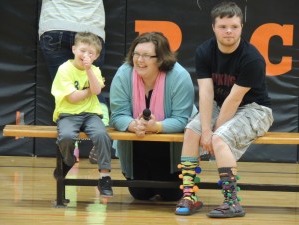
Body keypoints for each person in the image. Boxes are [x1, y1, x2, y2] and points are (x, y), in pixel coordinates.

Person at [174, 1, 274, 217]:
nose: (229, 31)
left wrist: (212, 133)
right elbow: (207, 94)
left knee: (219, 138)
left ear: (241, 28)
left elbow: (235, 99)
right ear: (213, 27)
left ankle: (232, 202)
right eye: (223, 26)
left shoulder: (252, 58)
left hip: (255, 109)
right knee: (192, 131)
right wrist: (204, 130)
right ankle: (189, 195)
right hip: (221, 104)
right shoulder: (204, 51)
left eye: (234, 27)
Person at [109, 32, 197, 201]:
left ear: (161, 59)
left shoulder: (179, 76)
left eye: (147, 56)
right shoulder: (123, 74)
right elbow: (118, 115)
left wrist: (157, 127)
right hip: (137, 141)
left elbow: (181, 119)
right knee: (140, 194)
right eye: (136, 54)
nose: (139, 60)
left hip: (171, 146)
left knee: (171, 195)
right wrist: (132, 125)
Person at [38, 0, 112, 161]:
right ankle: (101, 130)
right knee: (85, 86)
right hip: (91, 22)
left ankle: (72, 148)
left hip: (55, 21)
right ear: (74, 49)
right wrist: (90, 90)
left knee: (67, 88)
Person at [51, 32, 113, 198]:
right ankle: (68, 161)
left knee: (102, 135)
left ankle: (105, 177)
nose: (86, 55)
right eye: (83, 50)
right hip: (68, 114)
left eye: (91, 53)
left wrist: (88, 71)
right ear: (74, 49)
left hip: (91, 114)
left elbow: (97, 90)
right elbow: (72, 98)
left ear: (96, 56)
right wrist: (88, 92)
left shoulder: (95, 70)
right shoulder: (64, 69)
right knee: (65, 137)